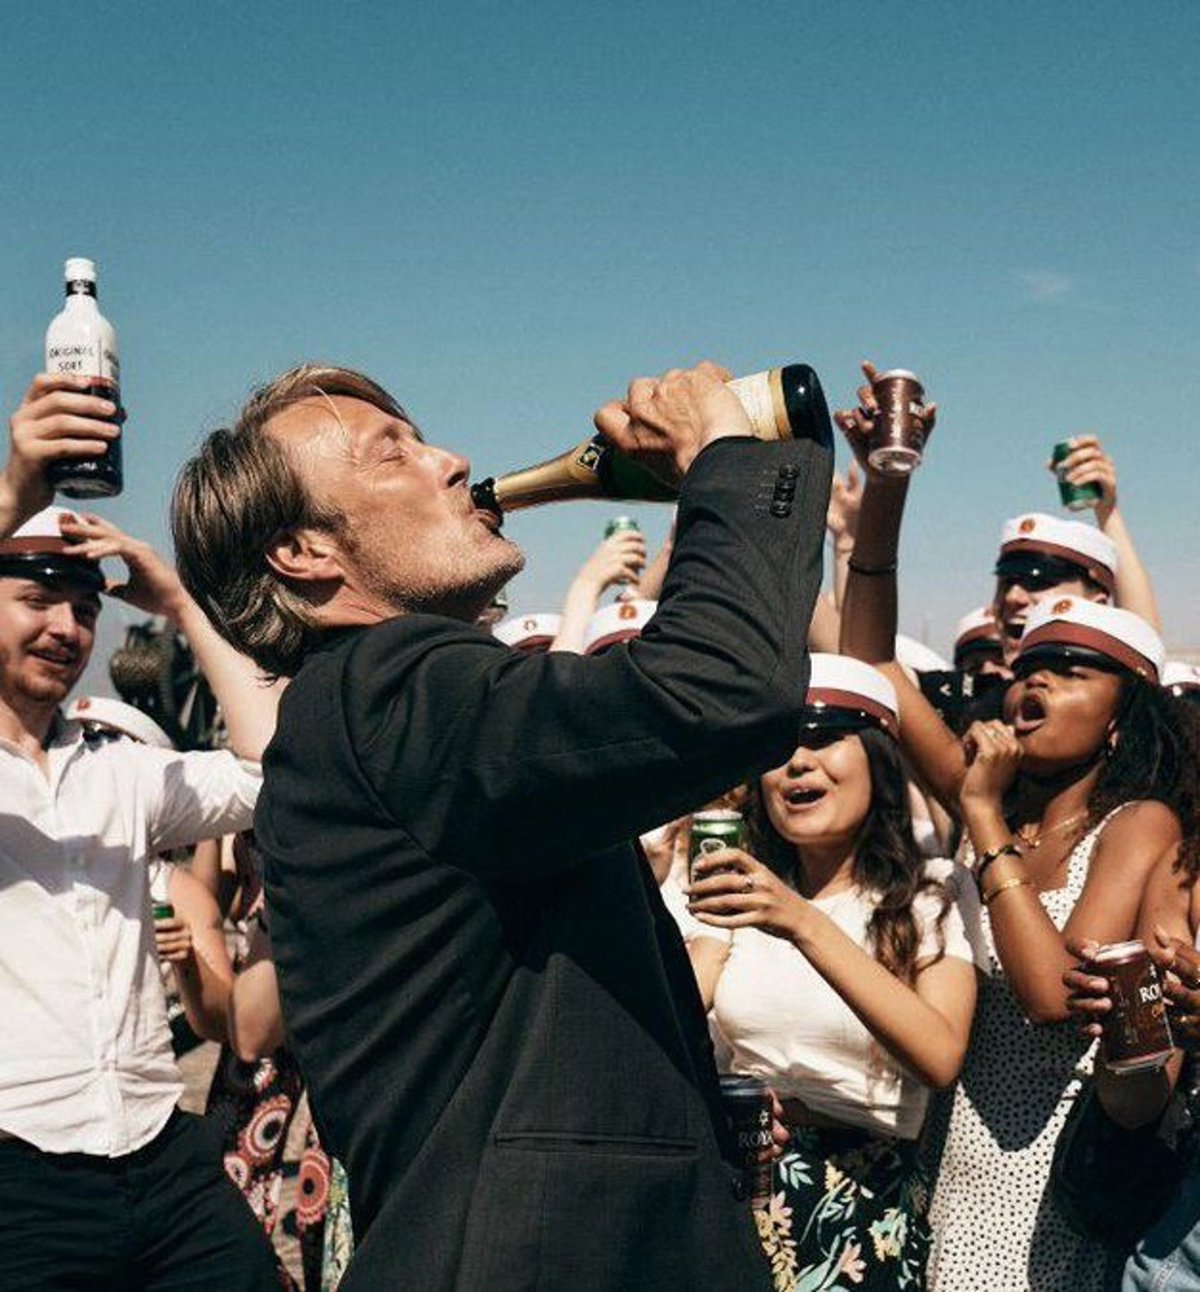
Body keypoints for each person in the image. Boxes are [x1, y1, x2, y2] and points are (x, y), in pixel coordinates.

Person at [170, 358, 833, 1289]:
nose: (451, 460)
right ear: (304, 552)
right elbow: (719, 692)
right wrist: (723, 455)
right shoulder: (387, 687)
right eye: (391, 454)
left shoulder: (370, 717)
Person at [0, 374, 282, 1288]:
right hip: (20, 1172)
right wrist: (16, 490)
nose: (67, 628)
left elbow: (269, 772)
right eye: (36, 599)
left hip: (163, 1155)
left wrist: (185, 608)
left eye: (85, 609)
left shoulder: (121, 770)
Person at [683, 654, 980, 1292]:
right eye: (780, 746)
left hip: (861, 1207)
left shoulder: (933, 892)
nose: (798, 762)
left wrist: (803, 922)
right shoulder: (739, 887)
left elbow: (940, 1055)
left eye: (825, 739)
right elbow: (675, 1014)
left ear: (878, 761)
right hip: (736, 1186)